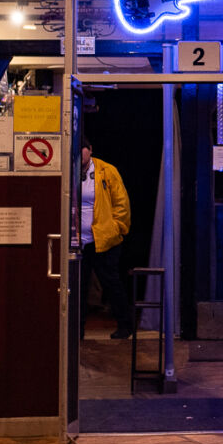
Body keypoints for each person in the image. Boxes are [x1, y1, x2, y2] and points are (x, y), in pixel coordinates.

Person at [79, 137, 134, 339]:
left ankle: (125, 326)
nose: (80, 155)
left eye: (83, 150)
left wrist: (118, 228)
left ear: (90, 150)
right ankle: (78, 330)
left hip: (103, 238)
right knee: (79, 286)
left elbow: (121, 202)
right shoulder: (70, 171)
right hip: (79, 242)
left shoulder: (106, 170)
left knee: (111, 282)